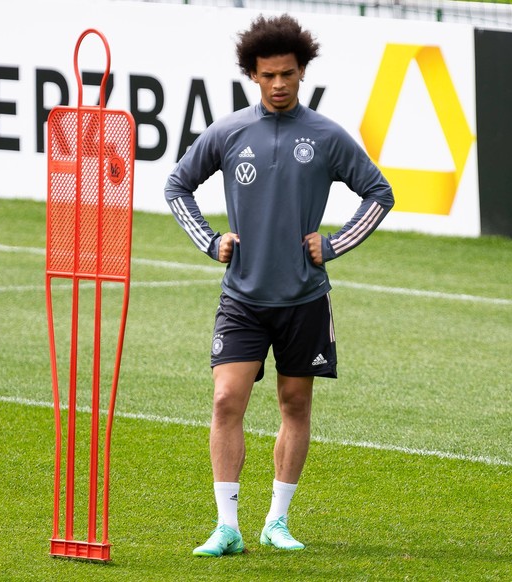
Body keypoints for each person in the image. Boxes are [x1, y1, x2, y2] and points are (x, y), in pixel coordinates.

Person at [164, 13, 394, 557]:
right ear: (253, 75)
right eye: (268, 75)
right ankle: (226, 526)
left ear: (302, 71)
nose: (279, 84)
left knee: (295, 404)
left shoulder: (327, 136)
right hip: (242, 298)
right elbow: (178, 186)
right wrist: (209, 240)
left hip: (304, 301)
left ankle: (277, 520)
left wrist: (333, 244)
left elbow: (379, 193)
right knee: (225, 401)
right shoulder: (228, 132)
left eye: (288, 73)